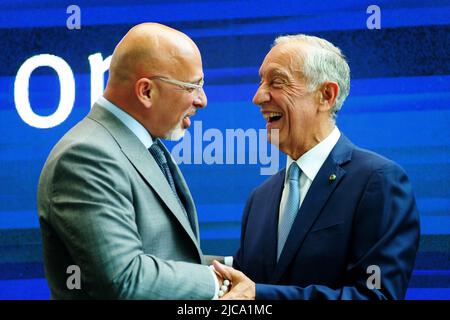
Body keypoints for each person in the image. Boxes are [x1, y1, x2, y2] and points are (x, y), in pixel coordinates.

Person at [213, 34, 420, 300]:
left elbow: (376, 295)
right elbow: (245, 283)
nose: (258, 96)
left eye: (276, 82)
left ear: (326, 95)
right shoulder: (260, 198)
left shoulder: (378, 182)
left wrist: (262, 297)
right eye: (261, 82)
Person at [37, 23, 223, 299]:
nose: (202, 100)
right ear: (146, 91)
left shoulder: (139, 145)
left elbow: (165, 255)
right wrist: (216, 283)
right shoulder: (85, 157)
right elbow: (124, 277)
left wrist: (234, 269)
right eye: (192, 87)